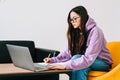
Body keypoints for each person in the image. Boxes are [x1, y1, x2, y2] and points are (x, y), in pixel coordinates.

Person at [44, 5, 113, 80]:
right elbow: (68, 53)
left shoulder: (96, 31)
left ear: (83, 17)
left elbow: (89, 58)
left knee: (77, 59)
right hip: (87, 61)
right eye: (71, 20)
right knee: (80, 67)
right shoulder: (76, 32)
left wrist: (65, 65)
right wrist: (53, 60)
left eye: (75, 18)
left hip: (102, 63)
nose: (73, 22)